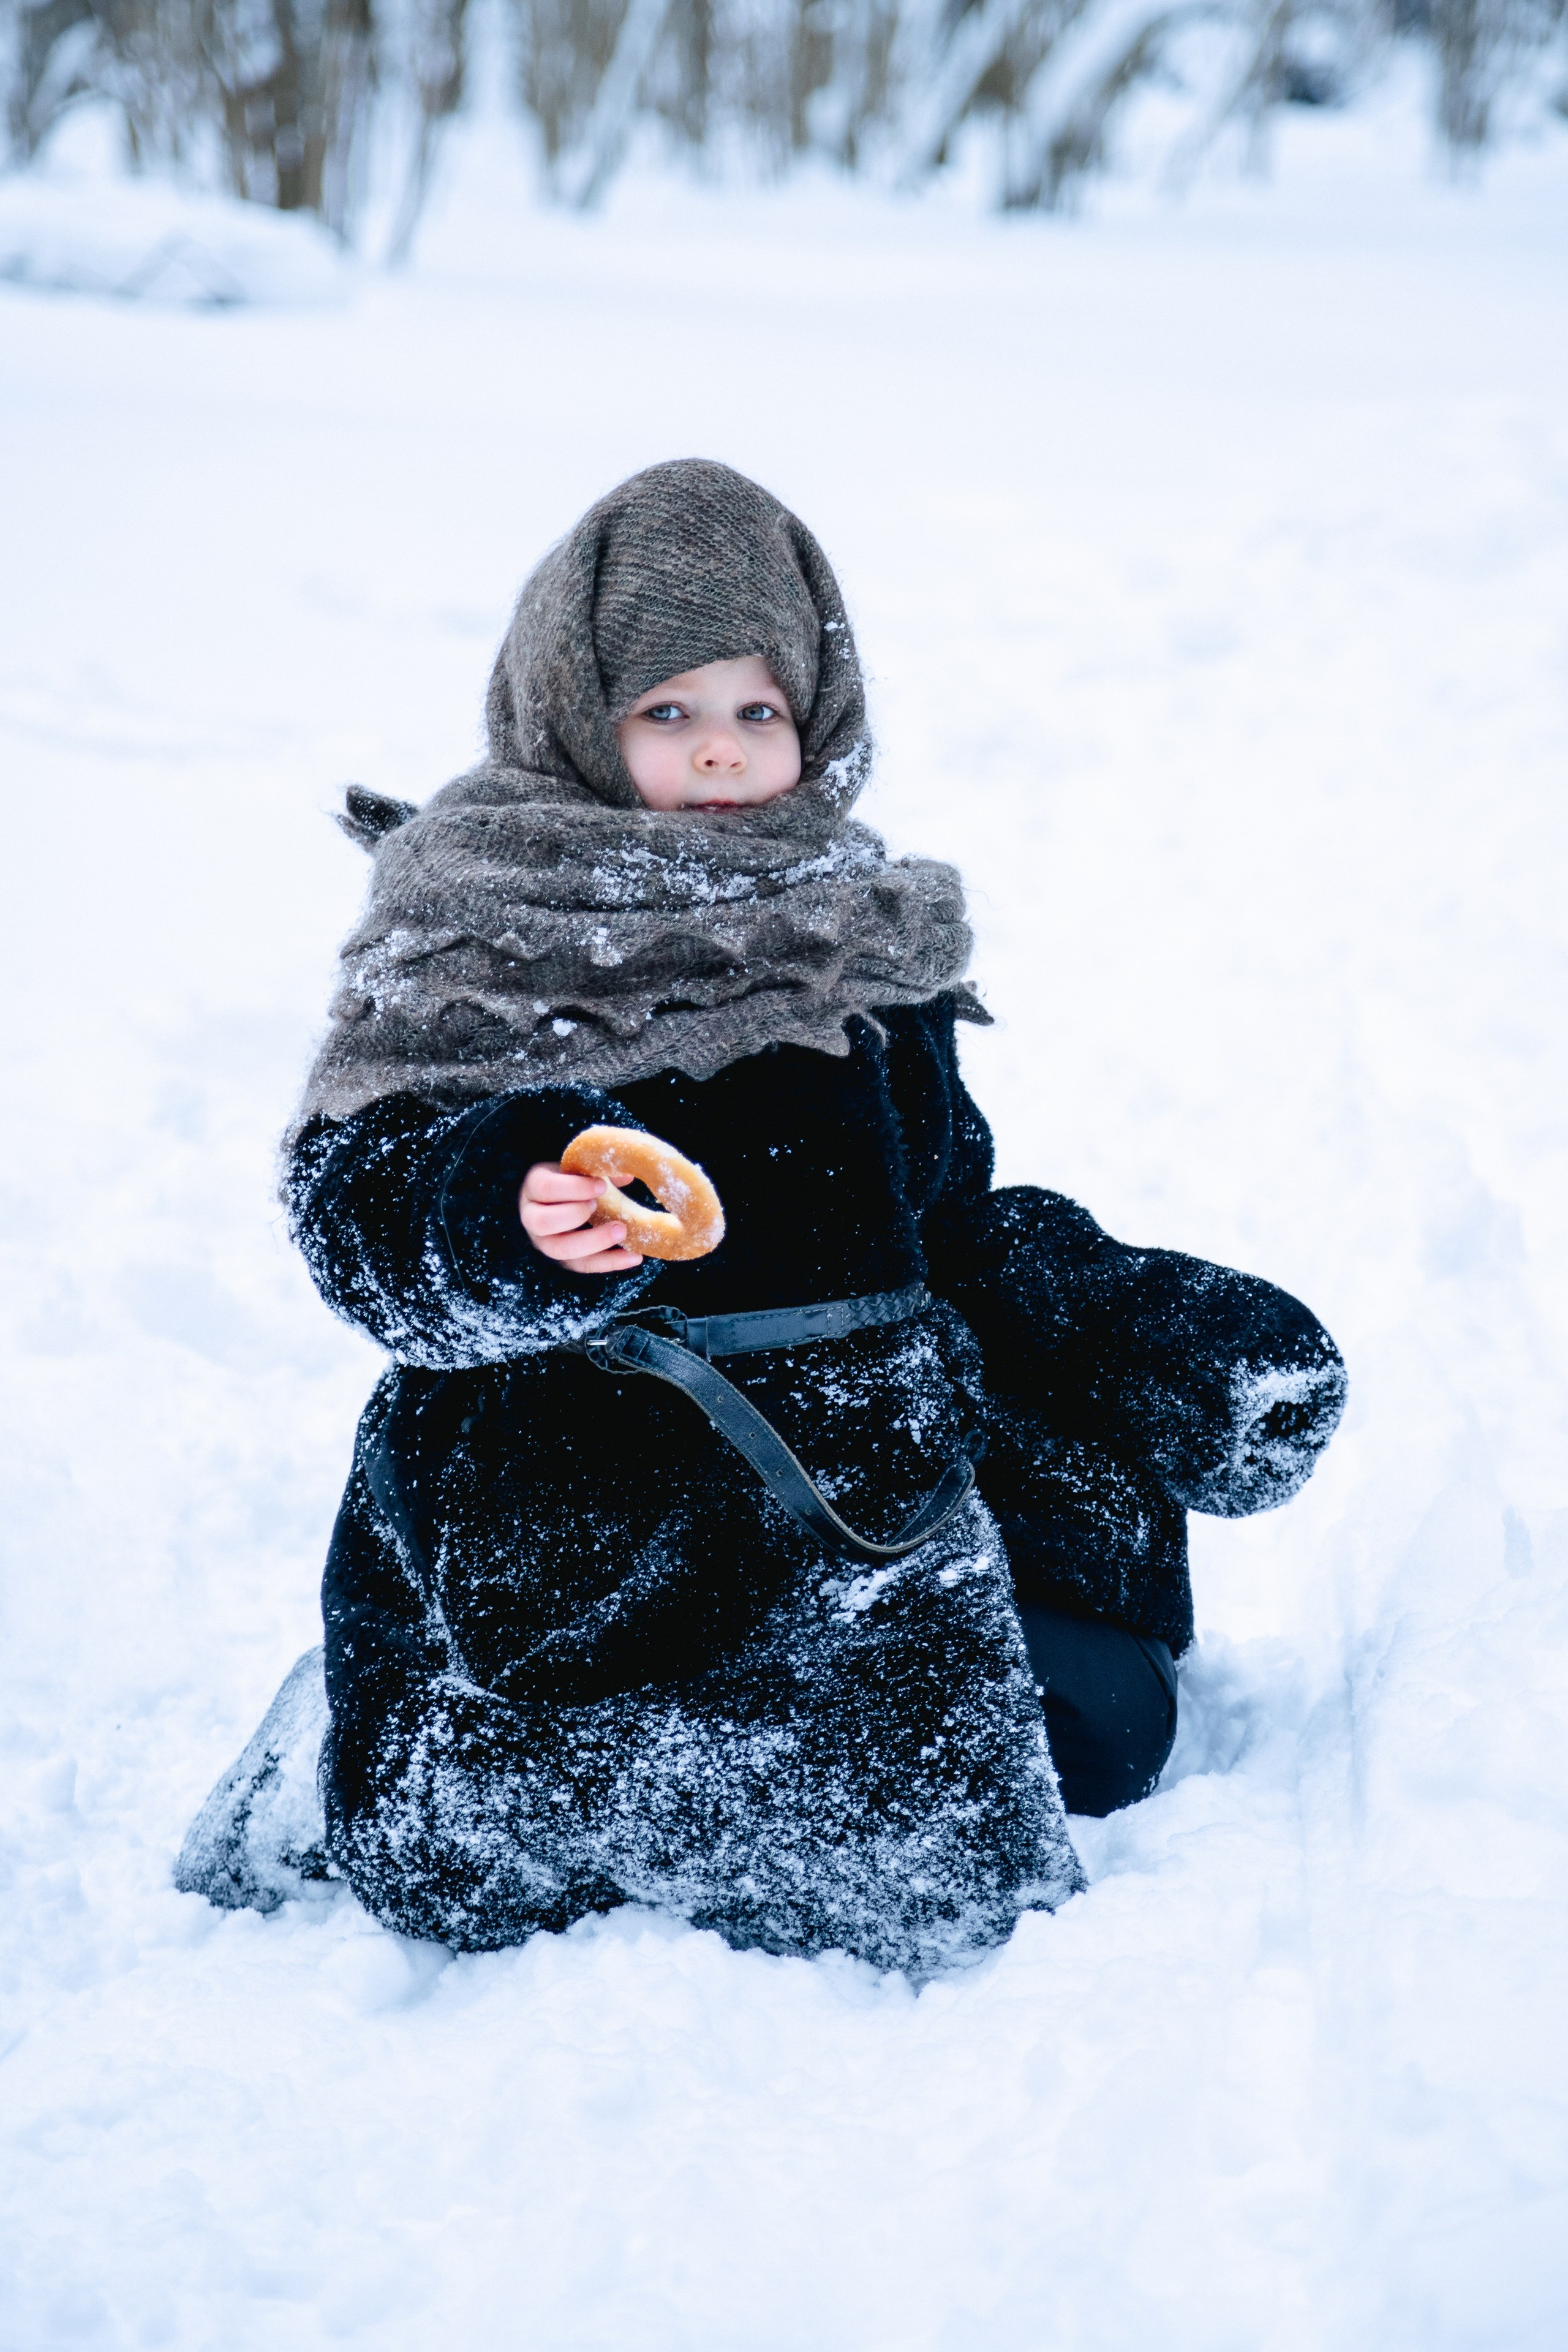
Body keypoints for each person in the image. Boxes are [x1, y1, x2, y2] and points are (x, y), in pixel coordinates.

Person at [176, 461, 1346, 1974]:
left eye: (756, 712)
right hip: (591, 1526)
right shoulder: (479, 933)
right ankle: (392, 1753)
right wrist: (505, 1225)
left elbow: (947, 1224)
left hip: (858, 1500)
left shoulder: (851, 934)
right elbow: (363, 1225)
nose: (720, 754)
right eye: (665, 712)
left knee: (1106, 1725)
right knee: (619, 1841)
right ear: (571, 716)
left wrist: (1139, 1317)